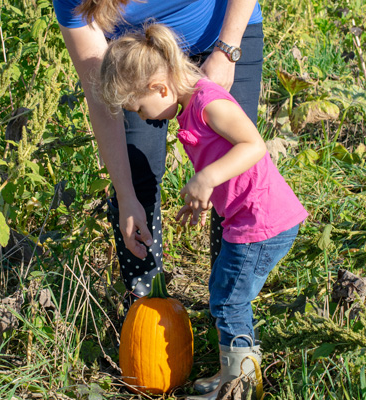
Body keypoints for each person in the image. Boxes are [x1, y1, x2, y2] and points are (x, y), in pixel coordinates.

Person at [98, 23, 309, 399]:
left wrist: (206, 179)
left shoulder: (208, 101)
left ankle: (242, 384)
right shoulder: (188, 107)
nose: (145, 118)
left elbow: (253, 145)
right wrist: (206, 195)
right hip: (246, 218)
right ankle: (234, 372)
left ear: (160, 89)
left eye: (141, 109)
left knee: (228, 299)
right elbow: (225, 159)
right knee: (225, 294)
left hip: (262, 222)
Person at [52, 0, 265, 306]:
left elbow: (249, 149)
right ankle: (147, 306)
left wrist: (227, 50)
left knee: (234, 171)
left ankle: (229, 306)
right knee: (136, 178)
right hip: (137, 62)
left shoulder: (226, 44)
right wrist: (125, 196)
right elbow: (102, 100)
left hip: (222, 35)